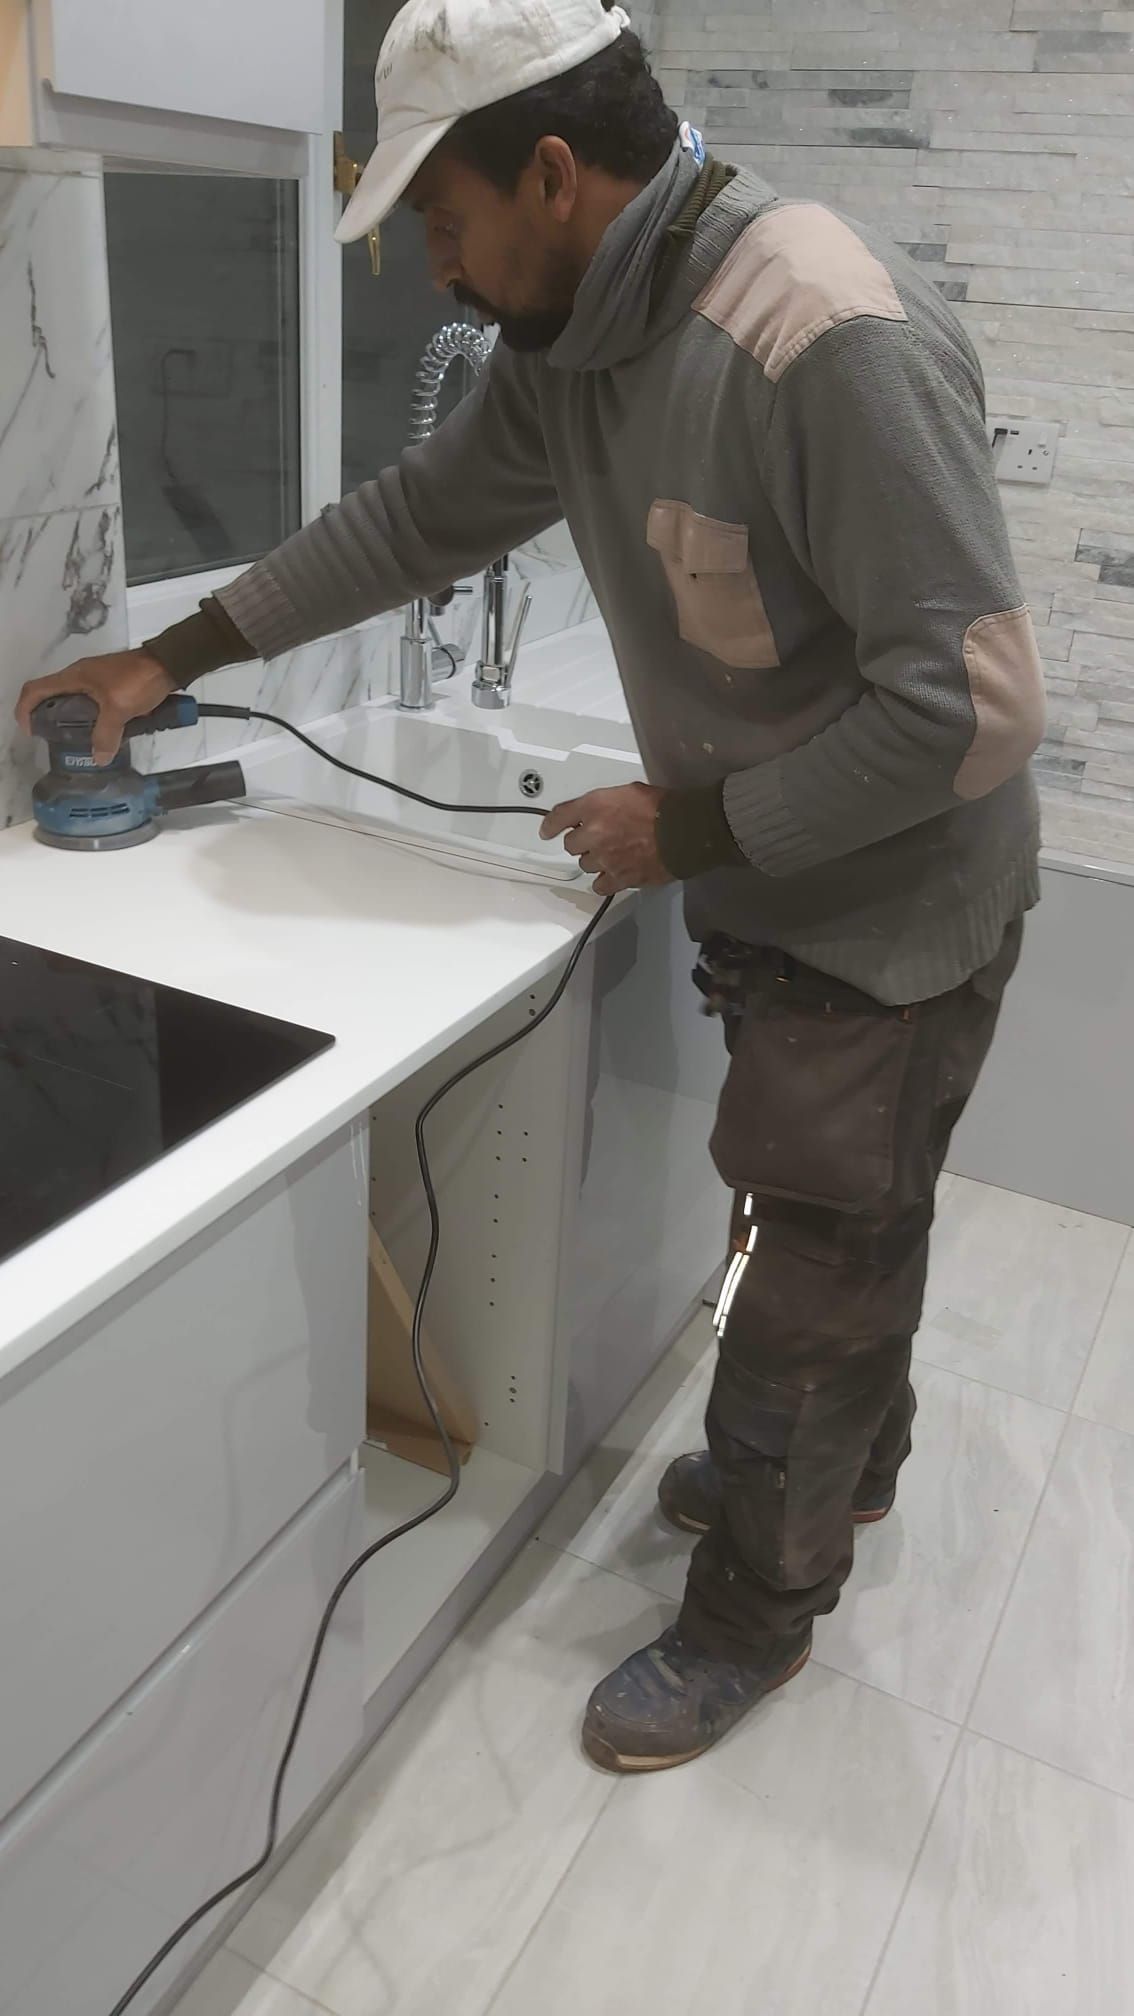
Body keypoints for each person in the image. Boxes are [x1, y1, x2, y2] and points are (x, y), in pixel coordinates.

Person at [16, 0, 1045, 1774]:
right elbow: (414, 523)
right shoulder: (577, 342)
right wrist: (162, 656)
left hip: (891, 914)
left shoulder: (819, 334)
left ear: (553, 176)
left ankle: (753, 1610)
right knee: (845, 1222)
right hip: (783, 894)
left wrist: (687, 830)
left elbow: (972, 707)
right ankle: (842, 1470)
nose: (433, 266)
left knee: (811, 1266)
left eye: (442, 217)